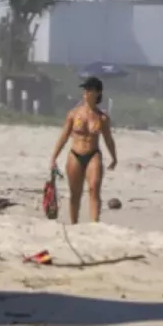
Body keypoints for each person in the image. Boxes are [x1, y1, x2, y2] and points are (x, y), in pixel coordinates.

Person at [49, 77, 118, 224]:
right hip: (75, 154)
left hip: (93, 154)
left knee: (94, 188)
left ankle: (94, 222)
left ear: (98, 92)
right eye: (85, 89)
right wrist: (54, 157)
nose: (86, 92)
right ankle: (74, 223)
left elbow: (108, 139)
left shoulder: (102, 118)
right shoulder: (74, 114)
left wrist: (114, 157)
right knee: (75, 193)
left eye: (89, 89)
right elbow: (64, 136)